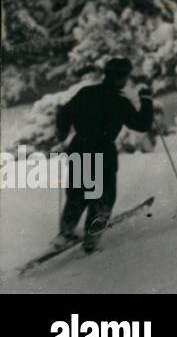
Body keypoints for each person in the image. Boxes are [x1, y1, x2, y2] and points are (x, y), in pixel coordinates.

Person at [53, 58, 156, 253]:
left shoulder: (86, 93)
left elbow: (63, 114)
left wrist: (62, 132)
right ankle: (91, 241)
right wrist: (146, 100)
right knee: (102, 198)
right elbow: (142, 124)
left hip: (80, 147)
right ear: (122, 78)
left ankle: (65, 233)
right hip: (102, 152)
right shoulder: (119, 103)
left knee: (77, 194)